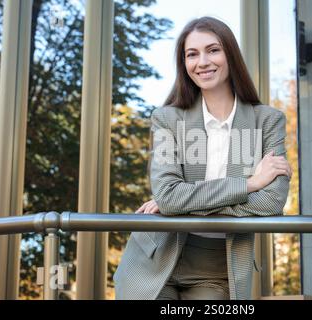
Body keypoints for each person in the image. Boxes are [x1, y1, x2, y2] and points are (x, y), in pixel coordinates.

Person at [114, 16, 292, 300]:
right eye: (192, 54)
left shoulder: (267, 121)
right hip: (154, 257)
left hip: (218, 268)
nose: (203, 62)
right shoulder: (167, 119)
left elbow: (271, 203)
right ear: (184, 64)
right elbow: (169, 196)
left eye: (213, 50)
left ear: (230, 54)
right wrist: (249, 184)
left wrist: (181, 205)